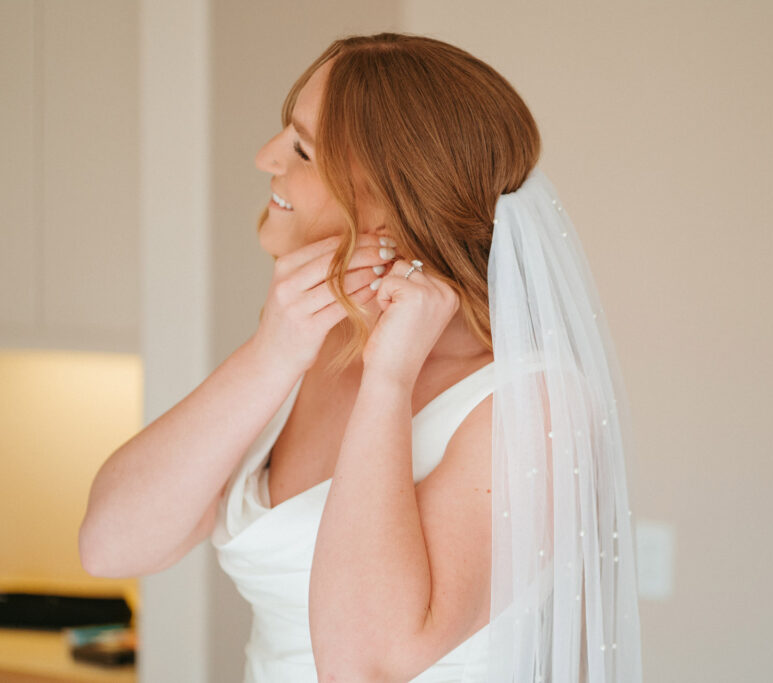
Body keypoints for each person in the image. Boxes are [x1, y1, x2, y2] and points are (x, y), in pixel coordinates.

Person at [79, 32, 642, 682]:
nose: (265, 158)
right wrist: (270, 355)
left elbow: (362, 663)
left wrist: (389, 379)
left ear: (388, 206)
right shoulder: (306, 344)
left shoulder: (537, 403)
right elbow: (108, 544)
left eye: (301, 150)